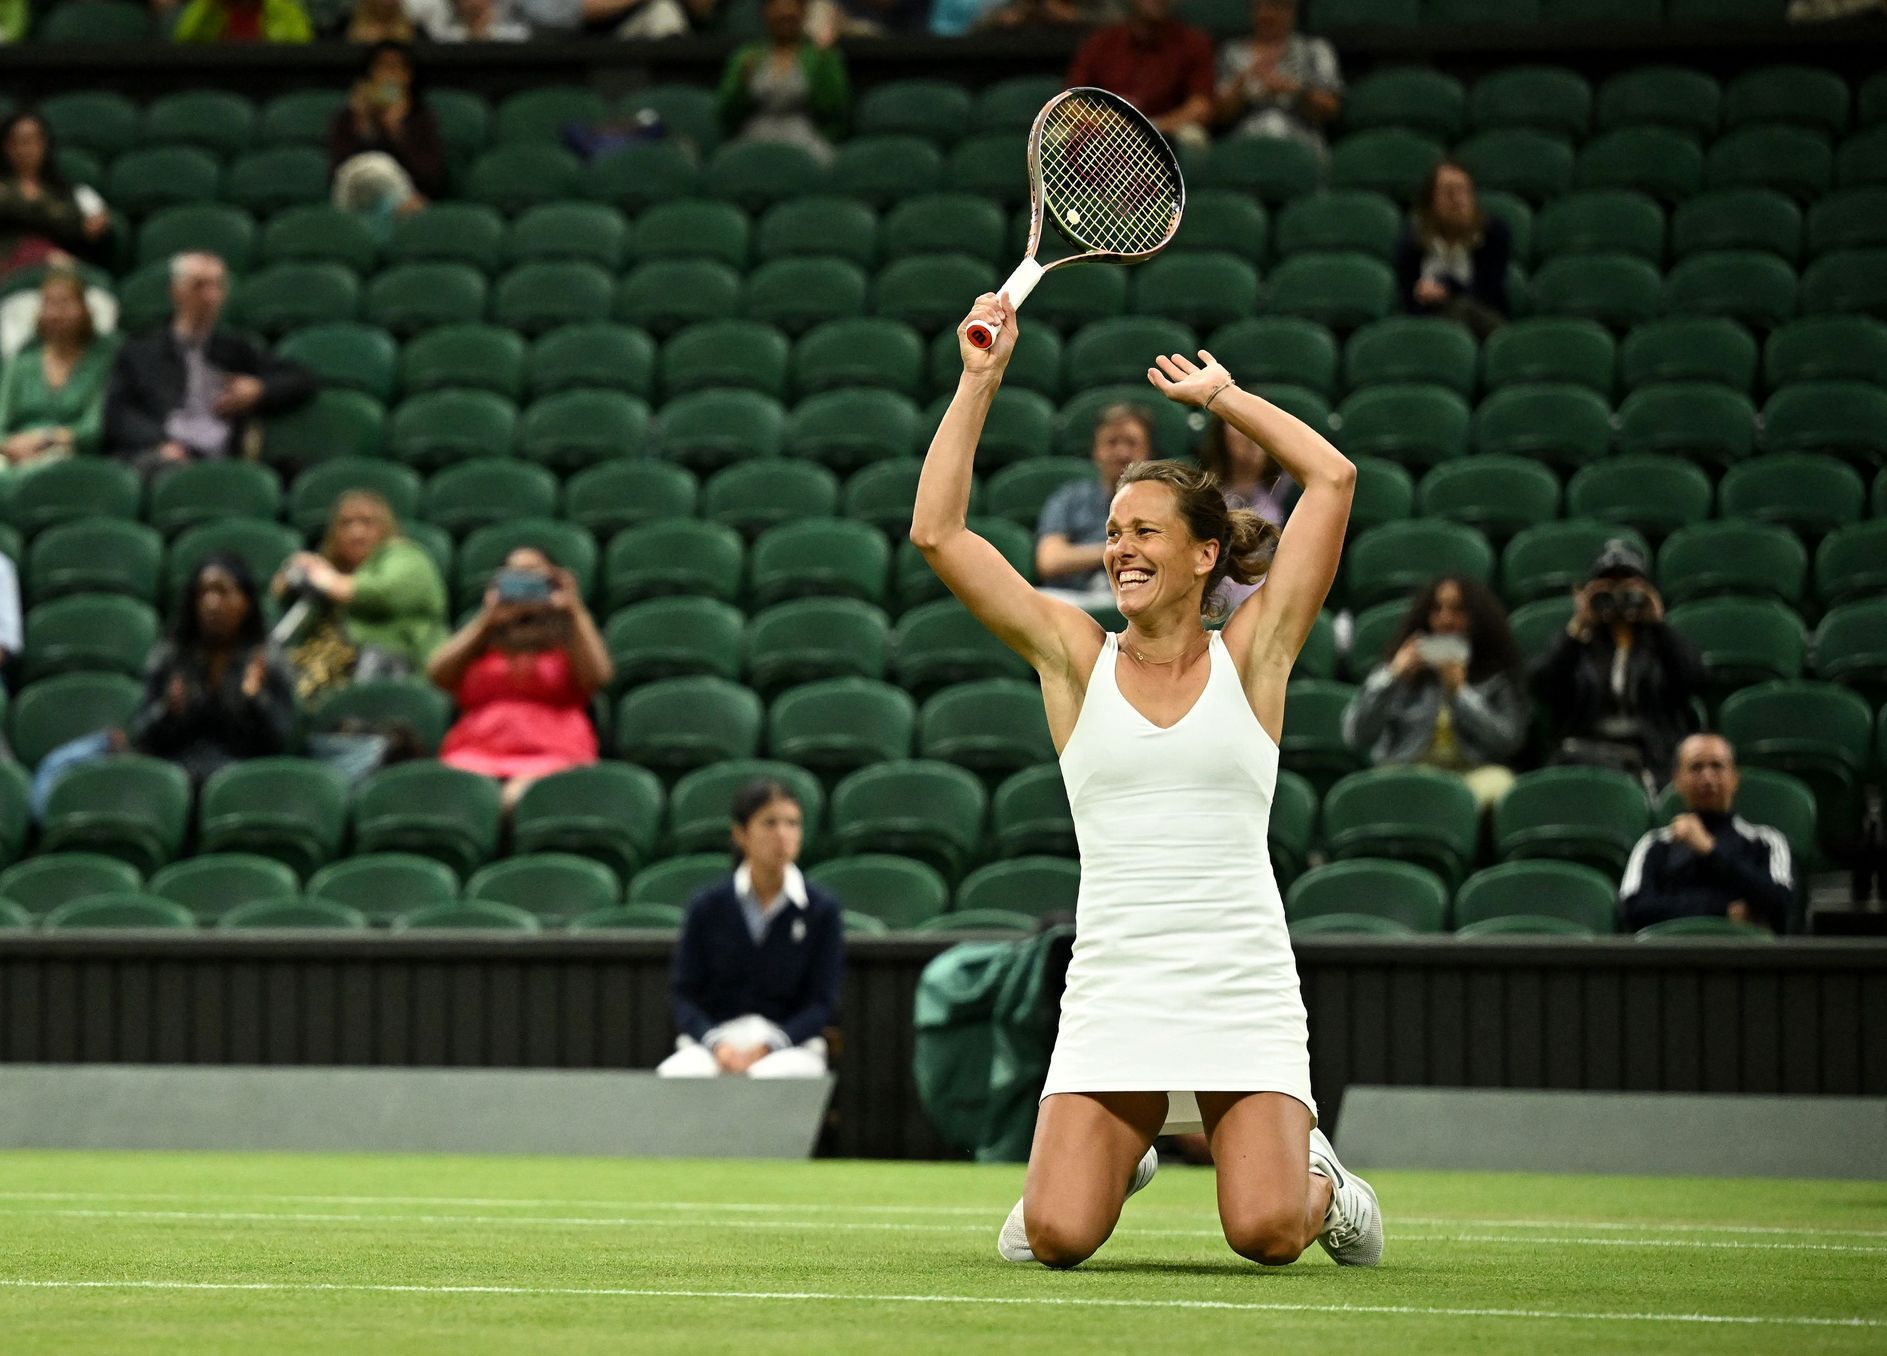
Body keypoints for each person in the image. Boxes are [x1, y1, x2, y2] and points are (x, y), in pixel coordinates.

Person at [914, 291, 1382, 1269]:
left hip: (1239, 981)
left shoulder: (1256, 657)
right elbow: (939, 536)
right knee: (1054, 1237)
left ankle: (1325, 1182)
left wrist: (1228, 399)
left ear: (1207, 554)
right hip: (1116, 985)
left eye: (1144, 532)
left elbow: (1333, 479)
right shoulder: (1073, 658)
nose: (1118, 548)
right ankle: (1116, 1155)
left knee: (1263, 1233)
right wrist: (978, 379)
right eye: (1115, 530)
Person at [659, 778, 844, 1079]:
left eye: (792, 824)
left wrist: (771, 1045)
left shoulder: (820, 909)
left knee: (768, 1079)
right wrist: (717, 1044)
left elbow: (823, 1003)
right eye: (769, 823)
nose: (782, 834)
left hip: (790, 1046)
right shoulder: (707, 906)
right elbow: (684, 996)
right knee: (675, 1075)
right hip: (716, 1042)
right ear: (741, 834)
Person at [427, 546, 612, 810]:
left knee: (512, 800)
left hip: (553, 752)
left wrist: (573, 610)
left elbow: (598, 677)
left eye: (532, 573)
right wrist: (487, 620)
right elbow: (437, 674)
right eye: (514, 573)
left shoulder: (568, 632)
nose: (523, 579)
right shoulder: (484, 634)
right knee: (458, 798)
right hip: (475, 752)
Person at [102, 252, 316, 479]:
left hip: (222, 460)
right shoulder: (141, 350)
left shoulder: (235, 348)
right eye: (199, 286)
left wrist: (259, 389)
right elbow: (118, 414)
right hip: (162, 456)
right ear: (177, 291)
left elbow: (301, 378)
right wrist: (160, 442)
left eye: (217, 287)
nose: (210, 296)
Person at [1341, 575, 1529, 811]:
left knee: (1502, 785)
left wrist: (1460, 694)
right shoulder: (1401, 669)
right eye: (1437, 610)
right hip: (1406, 773)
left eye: (1458, 610)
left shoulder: (1496, 675)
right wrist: (1392, 676)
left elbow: (1507, 742)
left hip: (1472, 777)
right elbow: (1356, 734)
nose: (1445, 619)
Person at [1532, 539, 1705, 791]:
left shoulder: (1659, 644)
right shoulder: (1578, 644)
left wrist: (1658, 624)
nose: (1617, 594)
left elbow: (1694, 680)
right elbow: (1543, 687)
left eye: (1627, 585)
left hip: (1649, 758)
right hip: (1585, 756)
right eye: (1607, 586)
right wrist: (1578, 627)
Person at [273, 490, 449, 701]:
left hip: (393, 678)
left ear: (386, 528)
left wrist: (321, 575)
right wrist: (290, 574)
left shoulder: (407, 557)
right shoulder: (333, 572)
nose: (356, 532)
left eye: (367, 522)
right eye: (345, 524)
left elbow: (377, 592)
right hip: (317, 680)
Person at [1619, 733, 1797, 934]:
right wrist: (1722, 911)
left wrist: (1709, 850)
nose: (1707, 778)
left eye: (1717, 766)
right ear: (1677, 780)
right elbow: (1633, 910)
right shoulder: (1654, 845)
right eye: (1696, 767)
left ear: (1734, 778)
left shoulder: (1766, 842)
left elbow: (1781, 902)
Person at [1034, 403, 1157, 601]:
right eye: (1112, 442)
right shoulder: (1069, 498)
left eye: (1131, 443)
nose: (1122, 453)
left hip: (1142, 594)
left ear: (1148, 452)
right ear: (1096, 451)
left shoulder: (1163, 500)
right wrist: (1117, 551)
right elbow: (1050, 560)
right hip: (1076, 598)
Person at [1, 270, 117, 479]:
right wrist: (10, 446)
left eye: (65, 303)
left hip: (72, 453)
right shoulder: (22, 364)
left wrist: (46, 439)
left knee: (50, 468)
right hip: (16, 451)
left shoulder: (102, 363)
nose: (56, 313)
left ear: (84, 309)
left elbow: (94, 428)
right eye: (49, 304)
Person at [1066, 0, 1215, 149]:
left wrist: (1148, 127)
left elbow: (1200, 108)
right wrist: (1102, 121)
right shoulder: (1101, 41)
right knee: (1055, 135)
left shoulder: (1194, 43)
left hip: (1163, 132)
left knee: (1193, 136)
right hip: (1104, 129)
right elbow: (1069, 103)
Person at [715, 0, 850, 163]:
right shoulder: (746, 56)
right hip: (754, 134)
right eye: (777, 10)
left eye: (792, 11)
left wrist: (823, 63)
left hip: (804, 134)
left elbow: (836, 108)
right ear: (765, 14)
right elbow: (725, 113)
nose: (784, 14)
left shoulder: (821, 55)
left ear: (804, 13)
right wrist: (742, 85)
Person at [328, 42, 447, 225]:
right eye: (382, 67)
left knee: (381, 168)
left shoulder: (420, 118)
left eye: (396, 68)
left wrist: (395, 132)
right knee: (373, 166)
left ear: (408, 76)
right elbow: (338, 171)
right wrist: (364, 124)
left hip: (406, 203)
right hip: (354, 199)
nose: (389, 76)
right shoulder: (349, 117)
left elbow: (431, 178)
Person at [1394, 159, 1512, 338]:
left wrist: (1446, 289)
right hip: (1427, 321)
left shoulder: (1493, 234)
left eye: (1464, 191)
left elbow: (1489, 293)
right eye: (1449, 193)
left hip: (1483, 320)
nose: (1459, 200)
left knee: (1460, 309)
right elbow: (1407, 299)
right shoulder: (1412, 241)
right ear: (1431, 201)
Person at [1213, 0, 1342, 153]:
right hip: (1244, 143)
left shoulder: (1315, 50)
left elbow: (1331, 109)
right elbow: (1218, 115)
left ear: (1292, 11)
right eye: (1259, 7)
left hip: (1302, 142)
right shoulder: (1231, 52)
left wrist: (1294, 89)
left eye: (1275, 7)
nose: (1265, 14)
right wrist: (1242, 85)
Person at [0, 112, 111, 279]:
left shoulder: (69, 191)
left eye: (32, 140)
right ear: (6, 146)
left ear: (45, 144)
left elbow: (87, 231)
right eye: (17, 141)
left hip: (59, 268)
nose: (25, 149)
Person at [172, 0, 316, 41]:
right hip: (213, 83)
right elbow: (182, 47)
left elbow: (303, 48)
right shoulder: (204, 7)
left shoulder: (285, 9)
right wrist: (212, 11)